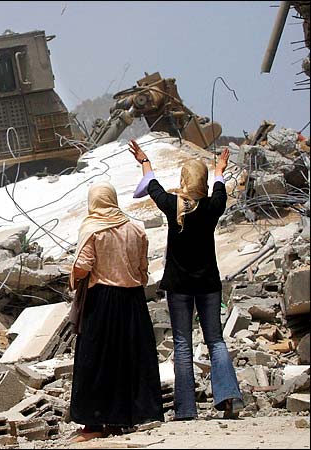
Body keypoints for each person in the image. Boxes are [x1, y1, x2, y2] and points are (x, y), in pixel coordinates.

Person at [128, 140, 244, 420]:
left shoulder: (172, 205)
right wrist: (219, 170)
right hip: (208, 284)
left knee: (181, 343)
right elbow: (220, 188)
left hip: (178, 285)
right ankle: (228, 398)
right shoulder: (213, 206)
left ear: (183, 179)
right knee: (215, 340)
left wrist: (144, 161)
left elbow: (152, 186)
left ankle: (185, 408)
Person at [68, 181, 163, 442]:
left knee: (96, 361)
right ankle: (130, 418)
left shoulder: (93, 229)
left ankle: (94, 424)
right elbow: (144, 269)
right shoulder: (135, 228)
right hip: (133, 301)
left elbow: (83, 267)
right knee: (131, 358)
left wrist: (74, 278)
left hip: (102, 303)